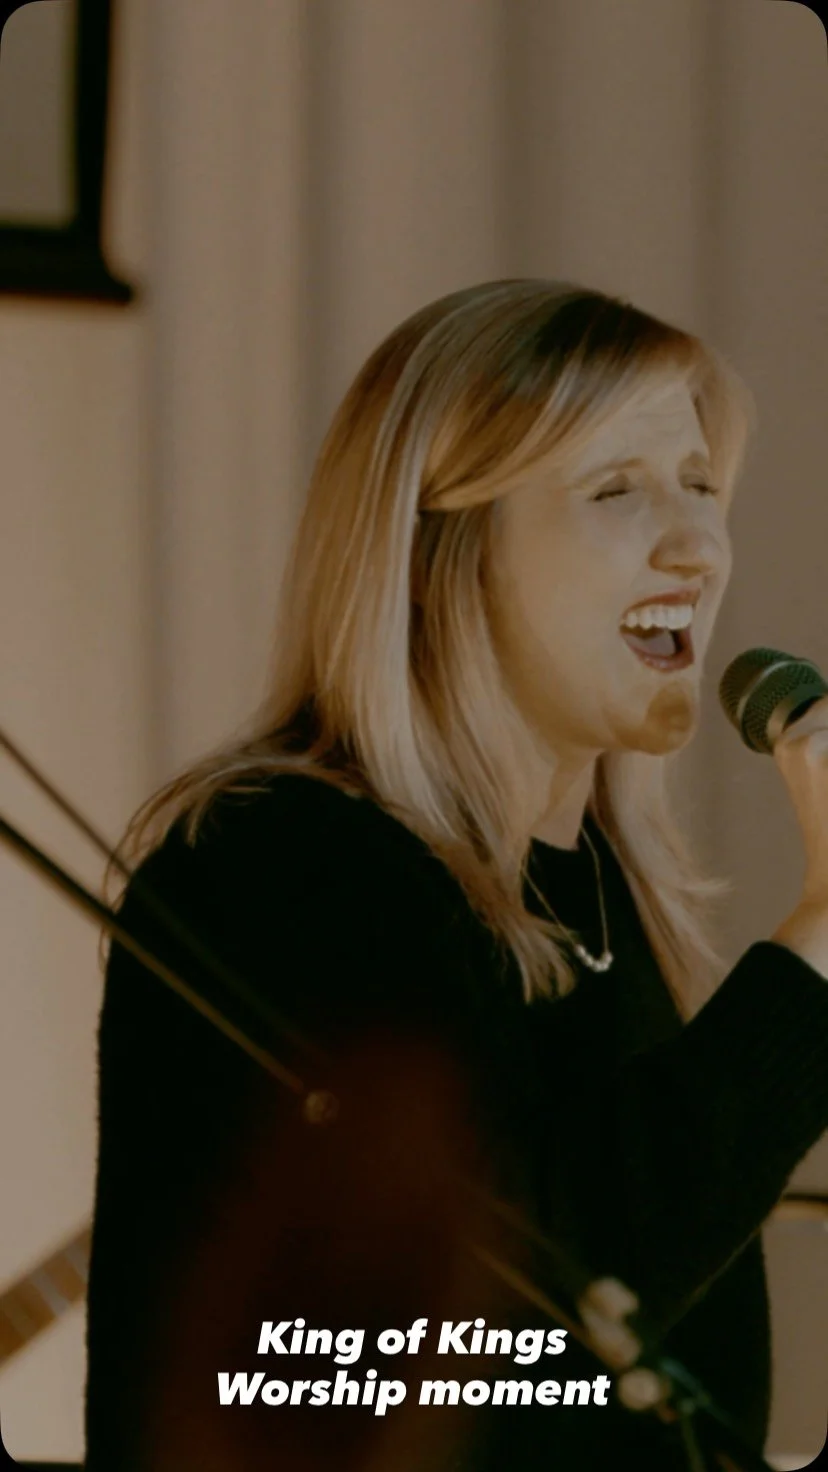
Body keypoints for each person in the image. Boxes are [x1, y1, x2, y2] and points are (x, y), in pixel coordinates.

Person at [84, 280, 828, 1472]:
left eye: (699, 483)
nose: (697, 543)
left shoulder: (601, 891)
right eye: (616, 488)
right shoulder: (281, 861)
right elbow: (508, 1326)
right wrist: (818, 953)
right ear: (439, 554)